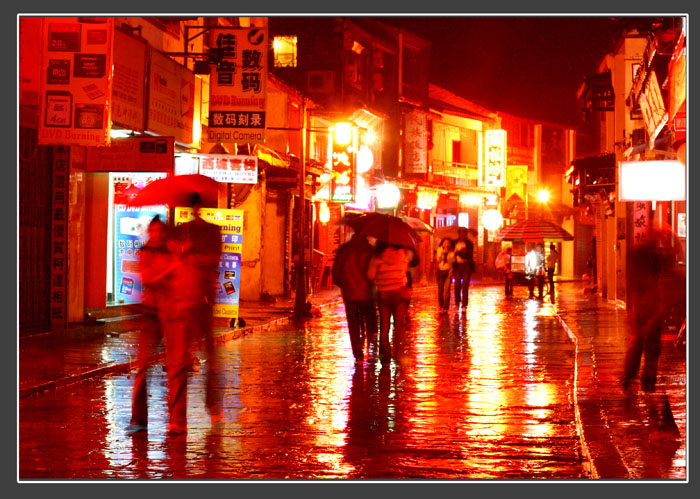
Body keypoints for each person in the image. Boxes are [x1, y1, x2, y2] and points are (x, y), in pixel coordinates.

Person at [163, 193, 223, 434]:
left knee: (211, 360)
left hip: (203, 300)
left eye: (198, 206)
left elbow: (214, 258)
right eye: (193, 206)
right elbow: (170, 260)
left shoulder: (211, 231)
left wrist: (192, 256)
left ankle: (214, 408)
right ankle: (178, 418)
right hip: (181, 301)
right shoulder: (180, 230)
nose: (196, 210)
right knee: (178, 362)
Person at [623, 229, 685, 392]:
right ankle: (646, 382)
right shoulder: (653, 257)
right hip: (651, 306)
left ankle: (632, 379)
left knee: (640, 344)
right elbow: (670, 267)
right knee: (650, 347)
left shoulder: (637, 255)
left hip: (643, 306)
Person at [127, 215, 172, 434]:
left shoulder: (171, 252)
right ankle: (138, 419)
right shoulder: (145, 253)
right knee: (142, 366)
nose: (156, 236)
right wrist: (167, 272)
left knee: (175, 367)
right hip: (150, 314)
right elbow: (148, 278)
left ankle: (176, 419)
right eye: (153, 232)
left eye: (160, 232)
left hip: (170, 314)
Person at [331, 231, 378, 363]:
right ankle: (370, 345)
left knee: (353, 323)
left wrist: (345, 284)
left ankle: (358, 354)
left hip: (349, 292)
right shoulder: (370, 250)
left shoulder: (344, 249)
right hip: (366, 292)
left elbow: (336, 272)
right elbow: (375, 272)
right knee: (367, 319)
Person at [366, 242, 412, 364]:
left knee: (384, 326)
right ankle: (398, 354)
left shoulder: (377, 255)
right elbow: (405, 272)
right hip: (399, 293)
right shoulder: (402, 253)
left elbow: (370, 275)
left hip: (383, 293)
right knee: (399, 326)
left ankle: (385, 355)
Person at [452, 228, 475, 309]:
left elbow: (468, 256)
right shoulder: (455, 243)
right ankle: (457, 301)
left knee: (465, 286)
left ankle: (464, 304)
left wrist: (458, 252)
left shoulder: (469, 244)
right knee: (457, 285)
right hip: (457, 266)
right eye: (461, 234)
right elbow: (452, 255)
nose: (462, 236)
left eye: (464, 234)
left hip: (466, 266)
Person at [435, 238, 455, 311]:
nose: (446, 244)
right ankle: (441, 306)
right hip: (440, 271)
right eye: (445, 242)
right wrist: (442, 253)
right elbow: (438, 260)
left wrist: (448, 253)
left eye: (448, 243)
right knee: (440, 290)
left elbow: (452, 262)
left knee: (447, 290)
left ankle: (446, 307)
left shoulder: (452, 251)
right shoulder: (439, 250)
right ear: (442, 243)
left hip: (448, 271)